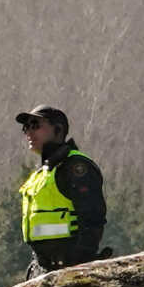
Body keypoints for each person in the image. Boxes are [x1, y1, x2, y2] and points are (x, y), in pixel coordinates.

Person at [16, 104, 107, 273]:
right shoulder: (43, 172)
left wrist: (79, 262)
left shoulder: (75, 166)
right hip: (42, 266)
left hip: (68, 265)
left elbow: (93, 218)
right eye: (26, 127)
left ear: (58, 130)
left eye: (35, 125)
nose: (29, 132)